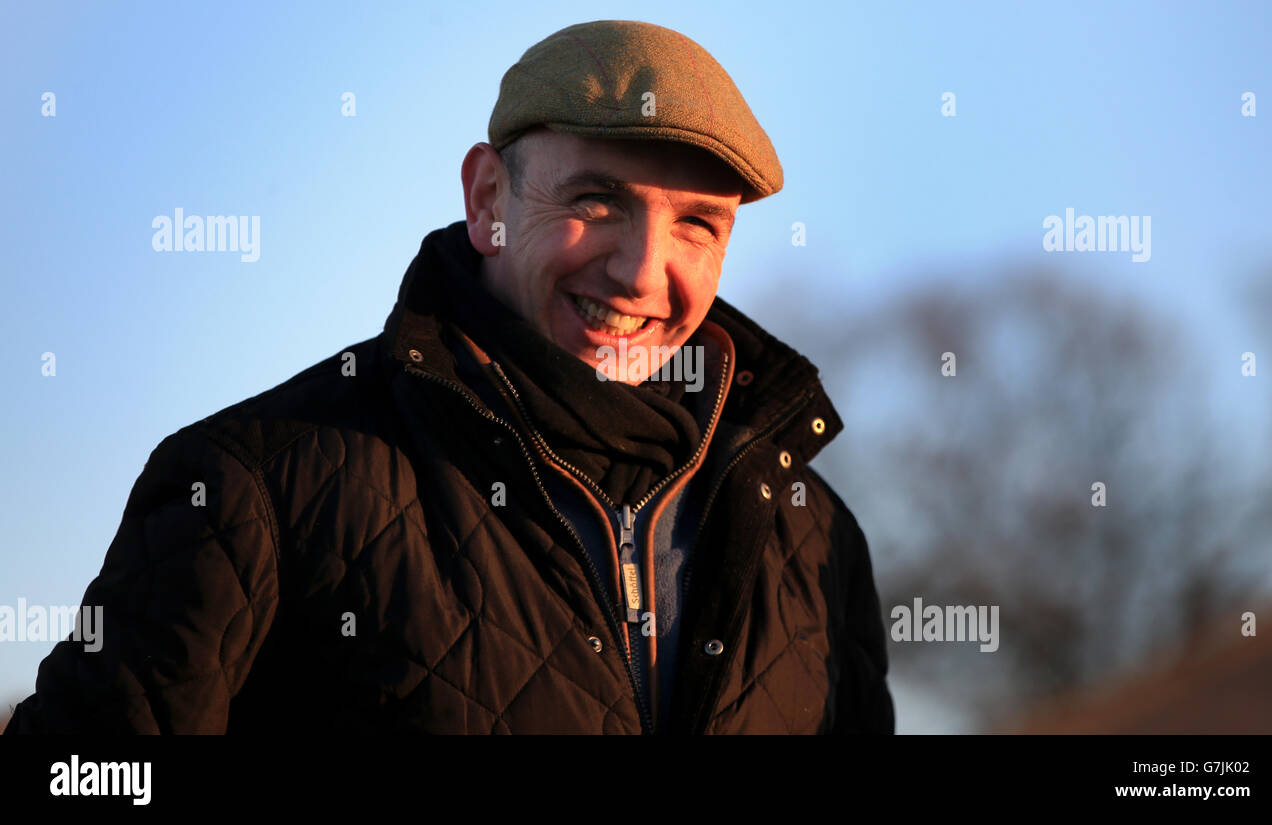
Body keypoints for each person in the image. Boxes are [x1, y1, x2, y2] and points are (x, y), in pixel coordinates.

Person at [5, 19, 893, 734]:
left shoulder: (813, 539)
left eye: (698, 225)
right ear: (486, 201)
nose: (640, 270)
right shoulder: (253, 487)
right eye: (596, 201)